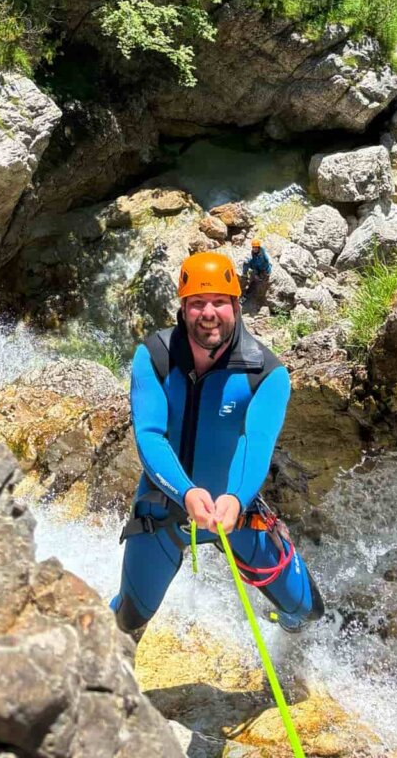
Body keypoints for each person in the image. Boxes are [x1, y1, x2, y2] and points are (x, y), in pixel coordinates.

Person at [110, 251, 325, 640]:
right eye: (197, 303)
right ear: (183, 307)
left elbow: (255, 443)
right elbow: (149, 436)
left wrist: (236, 499)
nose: (208, 313)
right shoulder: (155, 357)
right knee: (127, 620)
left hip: (236, 514)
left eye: (219, 302)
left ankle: (286, 637)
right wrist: (188, 493)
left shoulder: (267, 375)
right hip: (164, 513)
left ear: (236, 305)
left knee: (308, 610)